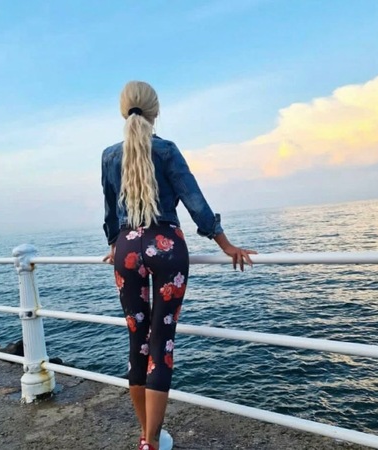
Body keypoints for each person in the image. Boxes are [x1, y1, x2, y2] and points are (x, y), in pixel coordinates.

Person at [101, 81, 256, 450]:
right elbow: (194, 200)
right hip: (166, 247)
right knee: (161, 343)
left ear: (123, 110)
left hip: (127, 249)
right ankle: (153, 442)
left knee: (137, 342)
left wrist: (116, 245)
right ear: (155, 111)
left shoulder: (109, 156)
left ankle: (145, 439)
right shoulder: (166, 150)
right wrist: (225, 244)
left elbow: (110, 208)